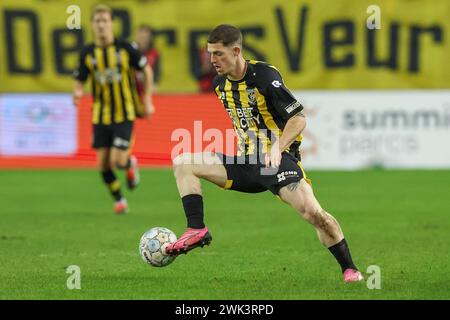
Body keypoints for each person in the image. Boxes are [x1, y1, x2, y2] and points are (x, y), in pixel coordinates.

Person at [166, 24, 364, 283]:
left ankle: (349, 268)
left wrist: (277, 148)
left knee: (314, 214)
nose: (212, 60)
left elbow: (298, 119)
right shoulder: (218, 84)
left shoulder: (265, 76)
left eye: (218, 54)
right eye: (210, 53)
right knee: (183, 161)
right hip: (246, 163)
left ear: (236, 51)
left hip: (277, 163)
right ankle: (197, 228)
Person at [73, 4, 155, 214]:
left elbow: (146, 69)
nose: (101, 25)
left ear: (111, 23)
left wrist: (146, 100)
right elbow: (80, 78)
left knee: (116, 160)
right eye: (97, 21)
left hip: (124, 113)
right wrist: (77, 93)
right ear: (92, 25)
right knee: (102, 164)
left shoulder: (126, 49)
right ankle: (120, 200)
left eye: (105, 21)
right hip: (100, 115)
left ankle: (129, 163)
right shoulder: (87, 53)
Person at [135, 24, 161, 107]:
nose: (143, 39)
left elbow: (157, 74)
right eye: (141, 36)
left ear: (150, 38)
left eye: (145, 37)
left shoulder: (154, 53)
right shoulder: (131, 51)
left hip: (148, 89)